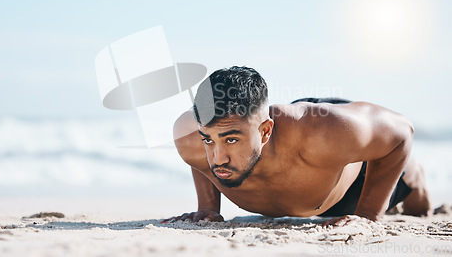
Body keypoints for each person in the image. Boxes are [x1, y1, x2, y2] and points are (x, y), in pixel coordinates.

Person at [164, 66, 431, 226]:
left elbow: (402, 132)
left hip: (348, 183)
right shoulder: (190, 137)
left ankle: (416, 174)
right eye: (208, 139)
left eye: (231, 140)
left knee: (416, 197)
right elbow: (202, 157)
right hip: (290, 136)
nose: (217, 158)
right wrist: (208, 209)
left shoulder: (325, 134)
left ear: (265, 131)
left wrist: (367, 216)